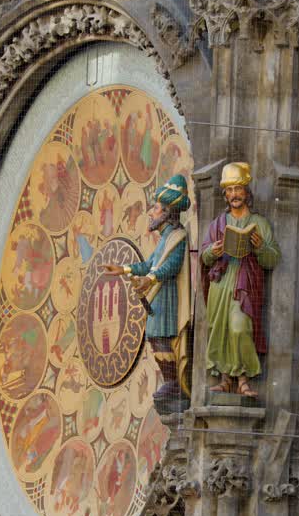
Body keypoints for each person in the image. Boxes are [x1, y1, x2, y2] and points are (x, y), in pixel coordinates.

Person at [103, 175, 192, 414]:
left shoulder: (178, 237)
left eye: (155, 208)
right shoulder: (165, 238)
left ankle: (173, 383)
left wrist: (149, 279)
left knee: (162, 338)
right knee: (155, 339)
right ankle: (170, 381)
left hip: (168, 298)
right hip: (159, 296)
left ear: (167, 213)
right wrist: (123, 269)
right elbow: (150, 264)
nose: (151, 213)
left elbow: (170, 266)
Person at [200, 162, 279, 397]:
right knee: (220, 330)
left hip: (244, 283)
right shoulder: (217, 225)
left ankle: (243, 378)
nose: (234, 194)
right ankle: (225, 380)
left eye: (238, 189)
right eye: (230, 190)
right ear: (225, 194)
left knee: (239, 327)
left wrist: (260, 247)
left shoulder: (259, 224)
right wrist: (212, 252)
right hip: (221, 284)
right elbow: (204, 258)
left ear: (246, 191)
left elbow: (273, 259)